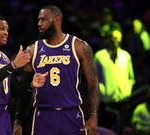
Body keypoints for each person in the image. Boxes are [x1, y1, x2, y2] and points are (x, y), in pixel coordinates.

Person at [14, 5, 100, 135]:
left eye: (44, 19)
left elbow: (93, 85)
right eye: (38, 20)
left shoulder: (79, 46)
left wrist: (93, 116)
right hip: (43, 115)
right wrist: (18, 121)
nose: (39, 23)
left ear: (57, 19)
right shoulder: (32, 50)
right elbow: (25, 88)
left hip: (71, 113)